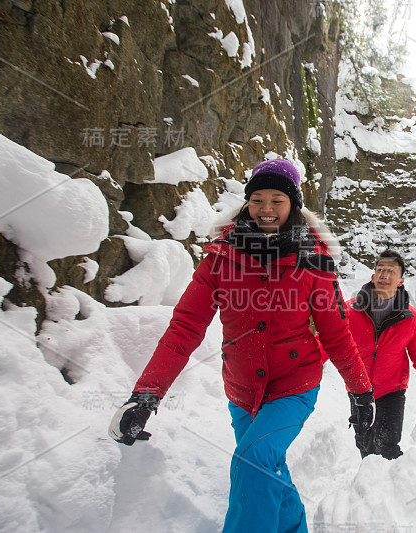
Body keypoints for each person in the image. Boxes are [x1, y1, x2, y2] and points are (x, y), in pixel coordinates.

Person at [108, 159, 375, 533]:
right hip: (242, 388)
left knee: (254, 461)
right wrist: (146, 394)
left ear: (294, 204)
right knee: (266, 470)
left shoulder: (314, 261)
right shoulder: (221, 257)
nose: (266, 209)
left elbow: (336, 333)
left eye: (277, 200)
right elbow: (185, 327)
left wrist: (360, 391)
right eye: (258, 199)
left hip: (294, 385)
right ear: (247, 202)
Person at [346, 249, 416, 460]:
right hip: (358, 390)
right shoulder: (350, 311)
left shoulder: (412, 319)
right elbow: (326, 343)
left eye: (391, 271)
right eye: (380, 270)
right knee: (364, 444)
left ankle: (397, 487)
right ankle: (369, 488)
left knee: (387, 445)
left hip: (392, 392)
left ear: (400, 280)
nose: (384, 275)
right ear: (373, 276)